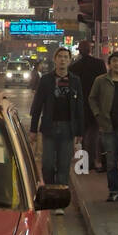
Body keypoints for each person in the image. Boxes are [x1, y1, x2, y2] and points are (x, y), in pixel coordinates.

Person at [29, 47, 84, 213]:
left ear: (69, 60)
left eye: (65, 57)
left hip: (68, 128)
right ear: (55, 59)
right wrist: (33, 129)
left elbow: (80, 106)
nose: (62, 60)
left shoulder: (75, 80)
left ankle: (59, 202)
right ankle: (51, 193)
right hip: (49, 127)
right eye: (59, 56)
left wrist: (80, 132)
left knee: (63, 164)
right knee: (47, 164)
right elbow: (37, 105)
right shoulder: (46, 80)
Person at [89, 49, 118, 203]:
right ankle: (114, 191)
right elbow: (92, 98)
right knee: (111, 161)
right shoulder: (101, 80)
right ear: (110, 63)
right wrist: (97, 115)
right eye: (114, 61)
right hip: (108, 127)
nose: (117, 64)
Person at [72, 41, 107, 171]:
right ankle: (93, 160)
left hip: (81, 105)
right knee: (94, 133)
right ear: (90, 49)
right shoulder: (99, 64)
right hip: (97, 103)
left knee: (85, 134)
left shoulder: (74, 67)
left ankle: (87, 162)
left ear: (80, 50)